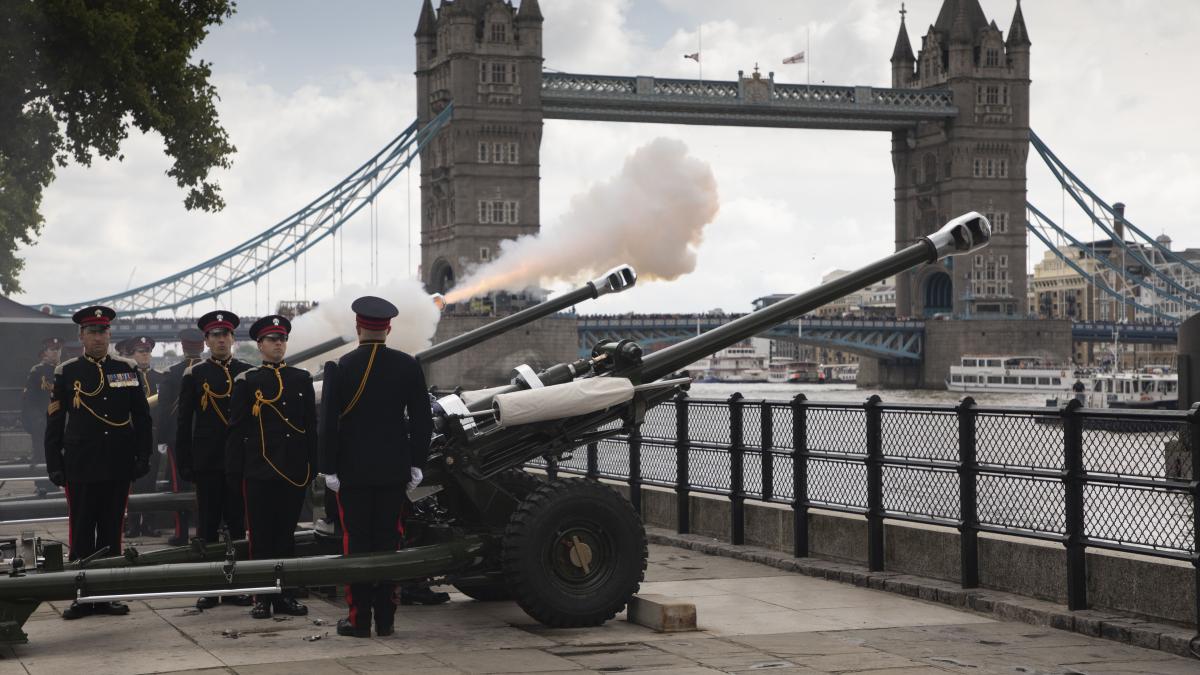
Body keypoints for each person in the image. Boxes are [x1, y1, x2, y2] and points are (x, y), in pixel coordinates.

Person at [319, 296, 436, 638]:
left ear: (358, 327)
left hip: (352, 474)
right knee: (389, 542)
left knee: (356, 544)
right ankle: (386, 620)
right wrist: (416, 465)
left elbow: (328, 425)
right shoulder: (408, 365)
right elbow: (421, 421)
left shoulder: (340, 366)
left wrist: (330, 469)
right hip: (393, 472)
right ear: (389, 328)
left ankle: (358, 620)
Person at [44, 306, 153, 620]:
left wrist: (142, 456)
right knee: (81, 532)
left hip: (118, 461)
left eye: (103, 331)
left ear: (110, 334)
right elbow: (55, 420)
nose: (98, 337)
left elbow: (142, 418)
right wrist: (54, 463)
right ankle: (81, 596)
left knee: (111, 531)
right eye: (92, 331)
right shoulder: (67, 371)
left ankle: (108, 595)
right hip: (81, 463)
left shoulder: (127, 368)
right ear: (81, 336)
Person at [226, 315, 317, 619]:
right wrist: (235, 473)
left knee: (286, 537)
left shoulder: (300, 378)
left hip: (292, 471)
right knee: (262, 538)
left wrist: (313, 466)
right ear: (260, 345)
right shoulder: (248, 381)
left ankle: (285, 594)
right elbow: (236, 430)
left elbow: (310, 428)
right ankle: (262, 596)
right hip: (260, 471)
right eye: (271, 340)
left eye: (281, 339)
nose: (278, 344)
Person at [176, 310, 252, 609]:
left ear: (233, 338)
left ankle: (238, 585)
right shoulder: (195, 374)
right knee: (206, 525)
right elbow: (184, 423)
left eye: (226, 335)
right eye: (216, 336)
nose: (222, 340)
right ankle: (208, 585)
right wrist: (185, 462)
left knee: (237, 524)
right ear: (207, 340)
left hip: (239, 460)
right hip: (207, 460)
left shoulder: (246, 372)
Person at [157, 329, 205, 545]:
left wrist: (161, 439)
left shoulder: (172, 372)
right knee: (206, 485)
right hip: (206, 436)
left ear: (183, 347)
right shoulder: (211, 370)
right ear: (203, 346)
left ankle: (182, 533)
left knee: (180, 486)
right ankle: (204, 530)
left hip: (178, 438)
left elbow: (164, 409)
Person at [126, 336, 166, 537]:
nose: (145, 354)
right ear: (132, 354)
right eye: (140, 351)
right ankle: (132, 524)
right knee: (133, 482)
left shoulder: (160, 378)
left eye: (147, 351)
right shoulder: (124, 377)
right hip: (131, 436)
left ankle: (149, 523)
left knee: (151, 482)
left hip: (153, 435)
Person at [21, 337, 63, 488]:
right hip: (44, 426)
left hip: (64, 424)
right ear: (45, 352)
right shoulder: (37, 371)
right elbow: (29, 401)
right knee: (43, 459)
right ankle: (43, 489)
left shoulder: (66, 370)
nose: (56, 352)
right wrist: (37, 422)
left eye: (58, 349)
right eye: (52, 349)